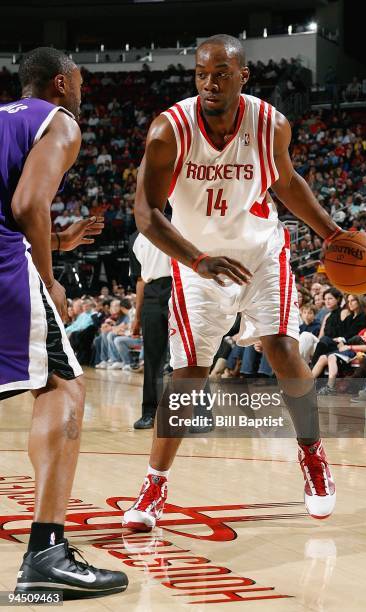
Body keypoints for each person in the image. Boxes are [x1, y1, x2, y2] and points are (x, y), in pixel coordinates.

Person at [124, 34, 341, 530]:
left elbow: (286, 182)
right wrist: (198, 261)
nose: (209, 82)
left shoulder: (271, 124)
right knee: (188, 377)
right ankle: (155, 483)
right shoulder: (168, 131)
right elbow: (146, 212)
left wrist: (330, 233)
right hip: (197, 261)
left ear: (243, 76)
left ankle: (312, 455)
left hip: (260, 252)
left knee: (283, 348)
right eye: (202, 73)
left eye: (221, 73)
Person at [0, 47, 127, 598]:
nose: (83, 89)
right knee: (63, 388)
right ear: (60, 82)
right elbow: (29, 204)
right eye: (80, 80)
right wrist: (48, 274)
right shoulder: (61, 122)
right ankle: (47, 553)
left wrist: (56, 238)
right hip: (5, 260)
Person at [132, 231, 172, 429]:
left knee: (191, 355)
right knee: (152, 358)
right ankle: (149, 412)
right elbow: (140, 279)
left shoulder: (178, 222)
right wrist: (137, 316)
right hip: (151, 293)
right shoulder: (134, 238)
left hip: (179, 288)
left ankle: (200, 413)